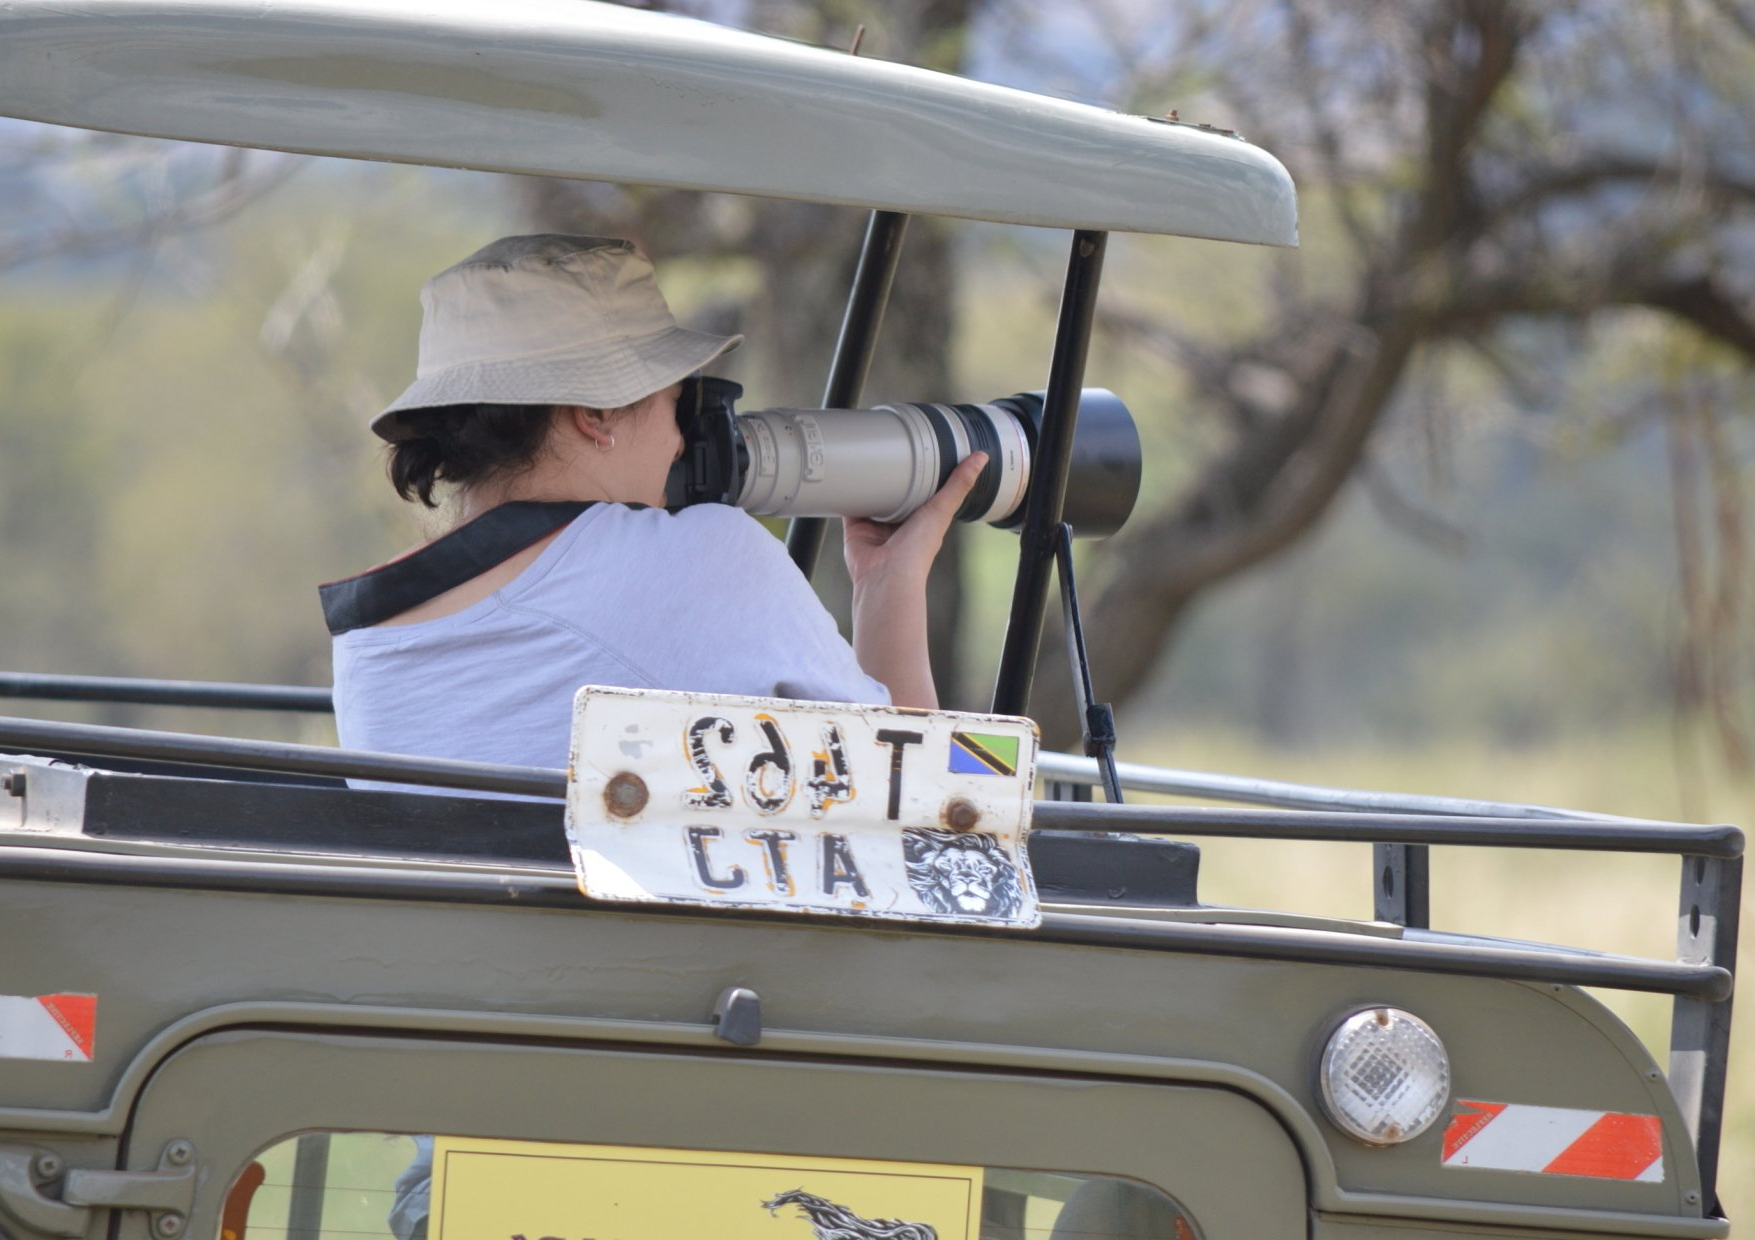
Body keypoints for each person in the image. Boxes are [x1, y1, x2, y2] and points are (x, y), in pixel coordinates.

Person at [321, 234, 981, 782]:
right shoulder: (700, 557)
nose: (678, 441)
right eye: (678, 405)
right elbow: (923, 804)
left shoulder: (367, 642)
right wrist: (890, 589)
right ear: (598, 412)